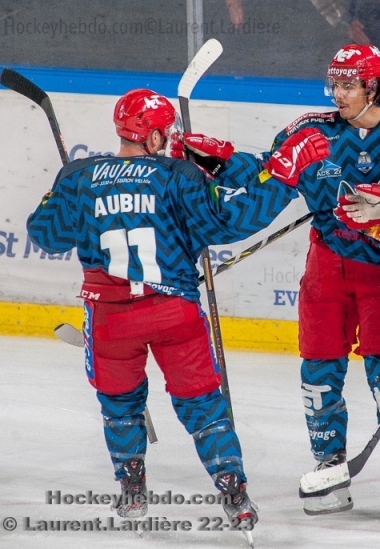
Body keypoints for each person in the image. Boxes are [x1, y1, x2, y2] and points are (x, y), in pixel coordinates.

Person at [26, 89, 328, 531]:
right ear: (150, 136)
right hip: (173, 312)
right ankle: (233, 491)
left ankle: (131, 487)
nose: (168, 140)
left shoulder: (79, 176)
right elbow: (231, 219)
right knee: (203, 405)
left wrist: (62, 192)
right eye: (164, 134)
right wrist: (279, 180)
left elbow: (46, 234)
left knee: (119, 404)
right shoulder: (177, 175)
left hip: (110, 319)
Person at [227, 43, 380, 520]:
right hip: (326, 271)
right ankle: (330, 467)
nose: (338, 94)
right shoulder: (310, 130)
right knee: (319, 376)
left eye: (348, 85)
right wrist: (216, 166)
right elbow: (266, 173)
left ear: (373, 86)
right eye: (334, 84)